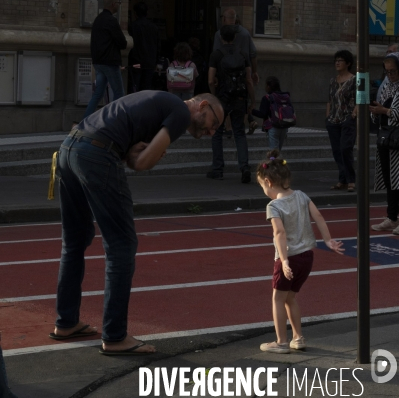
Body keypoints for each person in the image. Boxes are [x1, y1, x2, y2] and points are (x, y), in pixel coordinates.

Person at [51, 91, 223, 355]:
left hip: (69, 148)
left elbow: (128, 149)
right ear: (202, 105)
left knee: (75, 241)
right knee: (122, 245)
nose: (212, 132)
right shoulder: (179, 111)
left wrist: (135, 154)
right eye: (214, 122)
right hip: (96, 155)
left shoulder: (158, 101)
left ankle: (66, 323)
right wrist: (143, 157)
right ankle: (115, 336)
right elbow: (141, 162)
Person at [257, 150, 344, 354]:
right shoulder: (302, 196)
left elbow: (279, 232)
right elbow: (319, 216)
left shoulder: (273, 206)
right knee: (290, 298)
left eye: (262, 186)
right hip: (307, 256)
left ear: (268, 182)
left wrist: (284, 261)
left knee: (278, 299)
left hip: (288, 258)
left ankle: (280, 342)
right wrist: (328, 240)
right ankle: (298, 337)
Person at [207, 25, 255, 183]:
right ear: (234, 37)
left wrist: (214, 98)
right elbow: (248, 80)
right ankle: (244, 167)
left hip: (222, 98)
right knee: (239, 133)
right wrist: (252, 100)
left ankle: (218, 169)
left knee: (217, 133)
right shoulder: (243, 54)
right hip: (239, 98)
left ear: (221, 38)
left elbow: (210, 80)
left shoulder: (216, 55)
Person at [84, 0, 127, 118]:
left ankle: (84, 121)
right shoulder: (111, 21)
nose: (119, 5)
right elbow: (122, 42)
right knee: (119, 93)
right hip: (110, 62)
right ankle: (113, 121)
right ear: (113, 4)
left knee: (98, 94)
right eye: (118, 2)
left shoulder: (98, 19)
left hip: (98, 62)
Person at [370, 52, 399, 234]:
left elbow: (395, 113)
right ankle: (392, 217)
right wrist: (376, 111)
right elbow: (379, 113)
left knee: (398, 179)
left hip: (397, 139)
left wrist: (384, 111)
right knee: (390, 179)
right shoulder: (386, 87)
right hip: (387, 138)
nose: (390, 75)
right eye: (387, 72)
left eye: (393, 71)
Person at [325, 50, 357, 192]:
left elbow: (360, 98)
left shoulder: (355, 79)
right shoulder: (333, 81)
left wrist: (354, 113)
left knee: (345, 148)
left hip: (347, 118)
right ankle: (342, 180)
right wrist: (327, 118)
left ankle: (351, 180)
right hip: (333, 120)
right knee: (337, 151)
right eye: (336, 60)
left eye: (340, 60)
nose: (337, 63)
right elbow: (329, 100)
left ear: (348, 63)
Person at [252, 76, 293, 150]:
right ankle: (278, 161)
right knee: (278, 150)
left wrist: (252, 111)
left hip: (273, 126)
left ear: (268, 86)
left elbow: (263, 114)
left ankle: (274, 161)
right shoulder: (285, 96)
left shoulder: (267, 98)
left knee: (274, 152)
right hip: (284, 126)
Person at [128, 1, 159, 93]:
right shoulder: (154, 27)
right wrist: (156, 61)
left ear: (135, 13)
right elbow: (158, 46)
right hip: (150, 62)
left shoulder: (132, 26)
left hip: (136, 62)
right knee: (146, 89)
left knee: (134, 88)